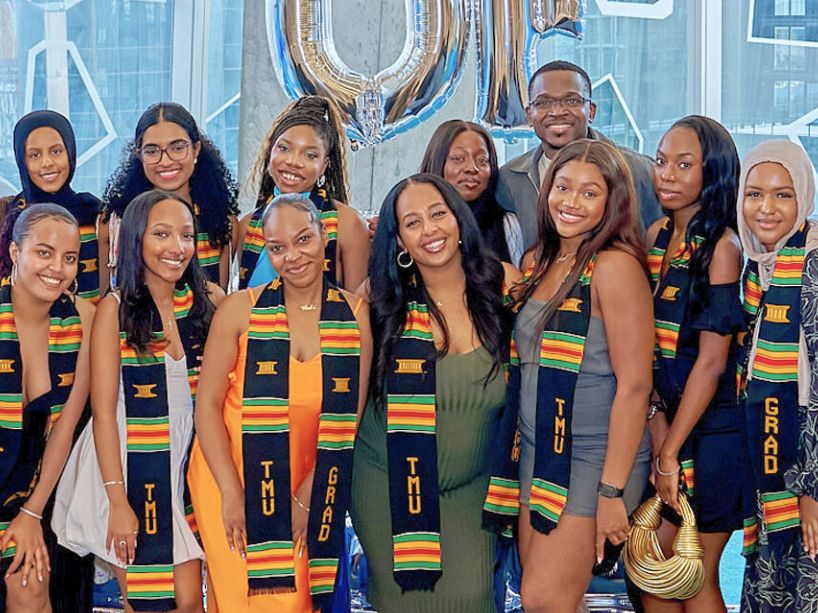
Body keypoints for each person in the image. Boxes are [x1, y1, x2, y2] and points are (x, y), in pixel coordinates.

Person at [485, 139, 653, 613]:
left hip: (594, 459)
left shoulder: (615, 268)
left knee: (544, 598)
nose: (571, 202)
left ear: (612, 201)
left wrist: (612, 492)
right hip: (536, 453)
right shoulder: (538, 262)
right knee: (544, 598)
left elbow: (636, 387)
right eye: (563, 187)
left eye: (589, 193)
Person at [188, 193, 372, 612]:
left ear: (324, 236)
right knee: (239, 599)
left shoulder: (355, 314)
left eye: (304, 239)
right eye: (278, 247)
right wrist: (232, 494)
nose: (293, 255)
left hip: (309, 477)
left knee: (292, 601)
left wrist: (307, 497)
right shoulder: (239, 310)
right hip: (226, 472)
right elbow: (209, 407)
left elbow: (348, 419)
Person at [350, 173, 517, 612]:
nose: (430, 230)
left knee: (473, 598)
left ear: (459, 219)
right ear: (399, 240)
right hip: (386, 488)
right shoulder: (376, 304)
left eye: (439, 214)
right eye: (413, 222)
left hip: (475, 494)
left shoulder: (505, 287)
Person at [53, 189, 224, 612]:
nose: (177, 247)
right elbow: (105, 412)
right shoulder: (115, 310)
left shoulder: (210, 302)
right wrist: (117, 501)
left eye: (186, 235)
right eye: (162, 234)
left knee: (190, 603)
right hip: (129, 465)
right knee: (148, 605)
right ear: (135, 240)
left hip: (186, 465)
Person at [642, 116, 744, 612]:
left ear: (714, 172)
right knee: (653, 570)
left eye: (685, 165)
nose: (667, 174)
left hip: (714, 434)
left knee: (696, 577)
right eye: (662, 161)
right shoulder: (655, 234)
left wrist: (670, 453)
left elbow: (709, 365)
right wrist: (658, 430)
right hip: (666, 426)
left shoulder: (723, 247)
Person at [0, 204, 95, 612]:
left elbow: (66, 425)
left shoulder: (86, 319)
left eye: (69, 258)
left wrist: (31, 512)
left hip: (31, 491)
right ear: (15, 252)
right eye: (44, 252)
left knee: (30, 582)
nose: (57, 268)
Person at [736, 141, 818, 613]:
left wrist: (811, 491)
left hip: (804, 484)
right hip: (771, 479)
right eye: (755, 194)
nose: (766, 209)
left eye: (783, 195)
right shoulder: (757, 270)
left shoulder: (811, 263)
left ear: (804, 196)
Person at [497, 60, 662, 250]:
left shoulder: (637, 169)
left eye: (571, 101)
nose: (557, 112)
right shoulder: (510, 178)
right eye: (543, 103)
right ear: (529, 115)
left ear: (591, 111)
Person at [237, 95, 369, 291]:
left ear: (324, 165)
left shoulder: (348, 223)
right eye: (284, 148)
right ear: (269, 151)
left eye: (310, 155)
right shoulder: (247, 225)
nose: (293, 161)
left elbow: (358, 310)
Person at [101, 103, 238, 290]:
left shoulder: (223, 224)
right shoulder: (115, 223)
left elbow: (222, 306)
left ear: (196, 150)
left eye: (178, 148)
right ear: (139, 155)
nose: (165, 161)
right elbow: (106, 300)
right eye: (152, 151)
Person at [10, 110, 105, 303]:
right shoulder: (10, 216)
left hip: (90, 327)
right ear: (22, 161)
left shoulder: (94, 212)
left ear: (70, 153)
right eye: (35, 155)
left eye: (56, 151)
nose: (47, 163)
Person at [419, 119, 524, 265]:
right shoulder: (410, 222)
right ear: (438, 161)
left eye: (482, 160)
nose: (471, 168)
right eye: (458, 158)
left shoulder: (507, 225)